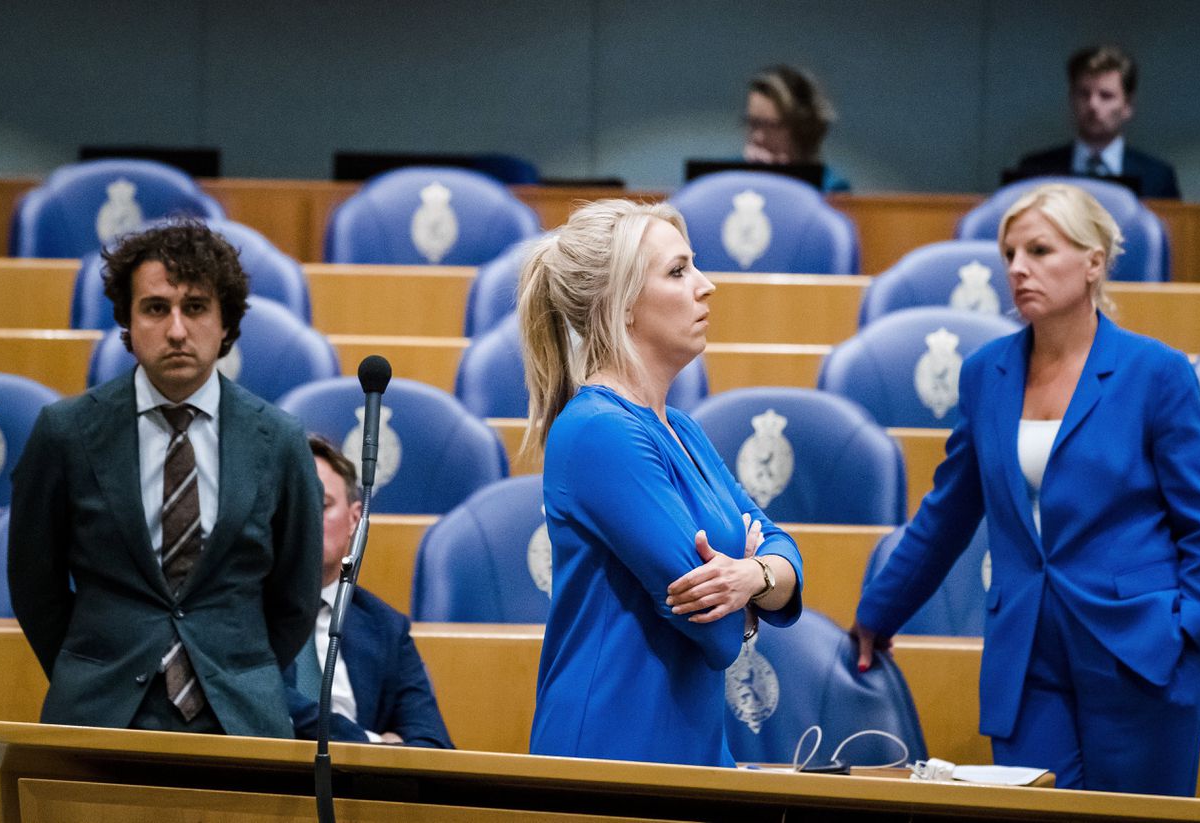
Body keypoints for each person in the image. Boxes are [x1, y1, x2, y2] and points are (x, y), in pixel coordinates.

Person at [853, 183, 1200, 795]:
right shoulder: (987, 374)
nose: (1017, 268)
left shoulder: (1155, 372)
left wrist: (1189, 636)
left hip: (1141, 652)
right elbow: (947, 512)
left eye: (1038, 250)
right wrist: (879, 610)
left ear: (1094, 262)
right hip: (1028, 655)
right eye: (1009, 254)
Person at [7, 220, 322, 737]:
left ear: (226, 324)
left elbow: (296, 597)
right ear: (127, 324)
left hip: (240, 714)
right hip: (98, 710)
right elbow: (33, 585)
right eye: (156, 308)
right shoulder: (66, 433)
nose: (176, 330)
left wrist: (235, 668)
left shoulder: (280, 439)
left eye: (195, 307)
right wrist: (94, 668)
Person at [519, 199, 804, 767]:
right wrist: (753, 596)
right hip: (610, 753)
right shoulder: (599, 432)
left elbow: (784, 554)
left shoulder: (684, 430)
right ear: (622, 306)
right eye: (678, 271)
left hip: (689, 747)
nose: (707, 286)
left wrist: (752, 572)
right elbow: (718, 634)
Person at [283, 435, 454, 748]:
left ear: (353, 519)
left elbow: (433, 744)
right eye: (292, 503)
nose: (306, 517)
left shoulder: (385, 627)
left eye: (322, 505)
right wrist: (371, 744)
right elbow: (274, 705)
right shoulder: (240, 607)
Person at [1014, 45, 1180, 199]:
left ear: (1128, 105)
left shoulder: (1158, 177)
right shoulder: (1035, 171)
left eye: (1106, 95)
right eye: (1084, 94)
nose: (1093, 105)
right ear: (1071, 98)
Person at [743, 64, 851, 192]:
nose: (758, 136)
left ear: (803, 130)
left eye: (774, 126)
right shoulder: (727, 178)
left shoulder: (831, 187)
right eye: (753, 123)